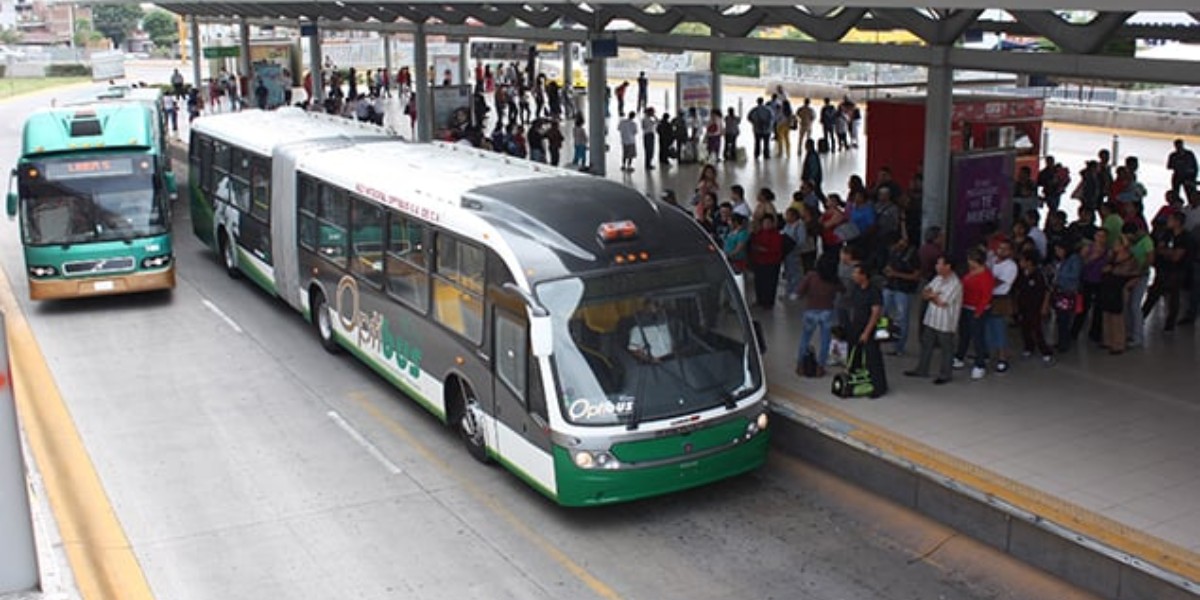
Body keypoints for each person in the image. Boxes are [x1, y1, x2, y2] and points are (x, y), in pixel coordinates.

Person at [904, 255, 962, 385]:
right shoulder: (938, 278)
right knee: (926, 345)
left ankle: (945, 374)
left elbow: (942, 302)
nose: (937, 266)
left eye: (940, 264)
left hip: (945, 322)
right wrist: (933, 295)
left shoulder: (955, 283)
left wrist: (932, 296)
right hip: (931, 319)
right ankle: (922, 369)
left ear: (948, 266)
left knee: (946, 348)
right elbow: (925, 293)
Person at [1141, 212, 1195, 332]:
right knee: (1154, 294)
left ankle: (1170, 324)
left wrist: (1167, 252)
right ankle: (1141, 318)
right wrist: (1169, 252)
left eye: (1170, 219)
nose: (1168, 221)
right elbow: (1159, 249)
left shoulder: (1185, 238)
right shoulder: (1167, 234)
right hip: (1164, 269)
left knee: (1173, 296)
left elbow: (1176, 256)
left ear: (1177, 222)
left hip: (1178, 270)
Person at [795, 252, 842, 378]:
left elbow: (799, 291)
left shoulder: (811, 276)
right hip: (827, 311)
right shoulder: (834, 280)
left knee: (805, 338)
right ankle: (820, 368)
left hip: (810, 310)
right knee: (825, 341)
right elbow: (843, 290)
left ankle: (800, 365)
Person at [952, 248, 995, 381]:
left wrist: (979, 312)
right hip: (966, 306)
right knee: (964, 333)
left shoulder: (986, 276)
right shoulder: (971, 272)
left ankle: (980, 364)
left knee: (977, 337)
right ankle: (959, 356)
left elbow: (986, 296)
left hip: (977, 309)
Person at [848, 264, 887, 398]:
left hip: (868, 327)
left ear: (864, 276)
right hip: (856, 326)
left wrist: (866, 332)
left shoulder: (873, 291)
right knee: (855, 354)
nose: (853, 276)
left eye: (856, 273)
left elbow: (875, 313)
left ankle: (879, 387)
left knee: (872, 357)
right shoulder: (856, 289)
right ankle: (855, 381)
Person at [882, 234, 920, 356]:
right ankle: (882, 339)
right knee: (883, 315)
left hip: (903, 289)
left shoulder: (912, 255)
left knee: (902, 318)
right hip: (890, 286)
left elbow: (916, 275)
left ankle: (899, 347)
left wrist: (896, 274)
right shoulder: (893, 252)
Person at [1013, 249, 1054, 365]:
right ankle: (1028, 347)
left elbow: (1047, 291)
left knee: (1037, 329)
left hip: (1036, 306)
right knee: (1024, 327)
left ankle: (1045, 352)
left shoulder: (1039, 275)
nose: (1020, 263)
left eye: (1022, 260)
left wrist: (1045, 306)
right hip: (1023, 305)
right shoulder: (1021, 274)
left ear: (1029, 262)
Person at [987, 239, 1017, 372]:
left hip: (1000, 299)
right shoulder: (992, 259)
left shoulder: (1011, 266)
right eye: (1000, 248)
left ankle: (1002, 358)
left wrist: (982, 278)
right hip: (987, 297)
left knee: (999, 329)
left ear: (1011, 251)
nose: (1001, 251)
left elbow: (996, 282)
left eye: (1005, 249)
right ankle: (987, 353)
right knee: (987, 328)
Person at [1050, 241, 1083, 353]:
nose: (1057, 253)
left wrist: (1059, 272)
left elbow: (1075, 274)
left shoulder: (1074, 259)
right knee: (1060, 318)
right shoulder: (1061, 260)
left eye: (1059, 250)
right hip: (1059, 290)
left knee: (1065, 318)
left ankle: (1064, 343)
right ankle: (1061, 340)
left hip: (1068, 292)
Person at [750, 214, 784, 309]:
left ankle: (768, 302)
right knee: (759, 282)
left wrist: (764, 250)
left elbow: (776, 248)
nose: (767, 225)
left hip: (772, 262)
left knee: (770, 283)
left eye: (769, 223)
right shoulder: (759, 233)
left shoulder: (776, 235)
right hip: (759, 261)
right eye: (765, 223)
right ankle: (760, 300)